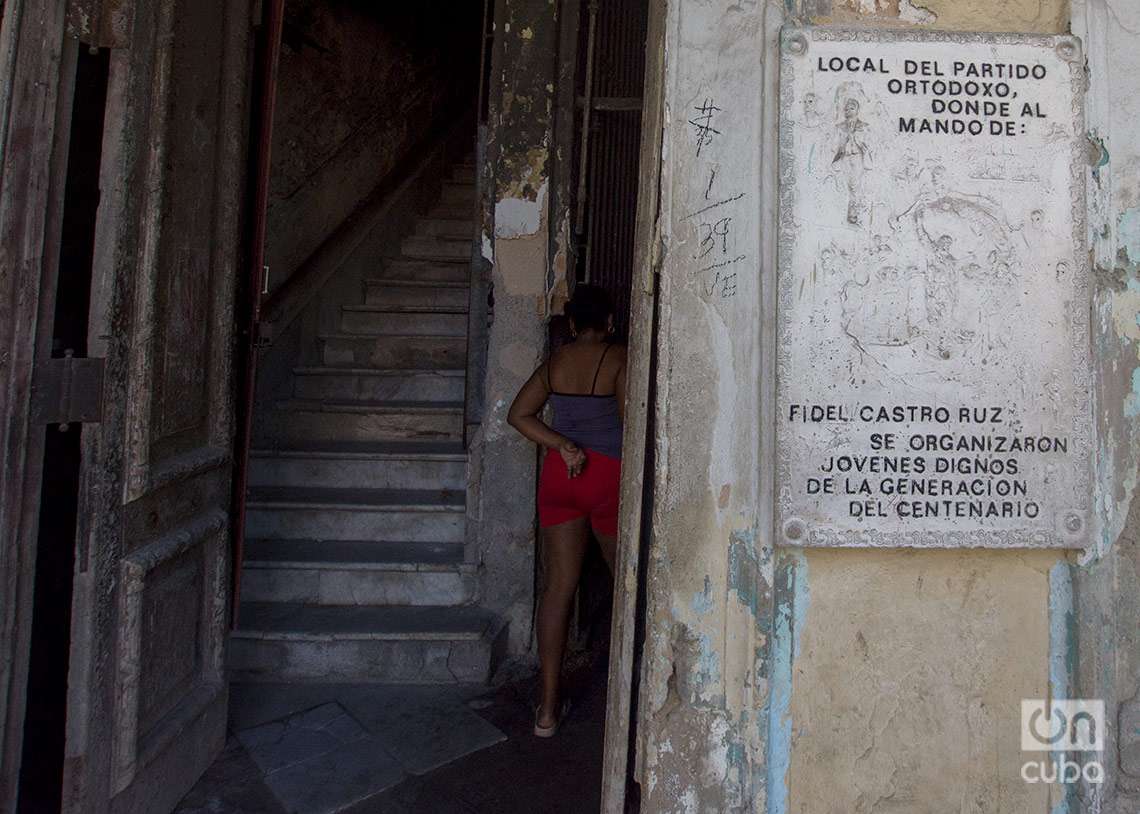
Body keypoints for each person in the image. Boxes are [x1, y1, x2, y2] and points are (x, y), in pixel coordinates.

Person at [507, 285, 627, 738]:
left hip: (562, 476)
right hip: (607, 478)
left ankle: (547, 709)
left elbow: (519, 415)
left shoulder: (555, 362)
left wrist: (562, 444)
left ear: (572, 325)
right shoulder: (618, 358)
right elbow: (631, 421)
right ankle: (627, 700)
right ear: (611, 323)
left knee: (559, 589)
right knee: (626, 587)